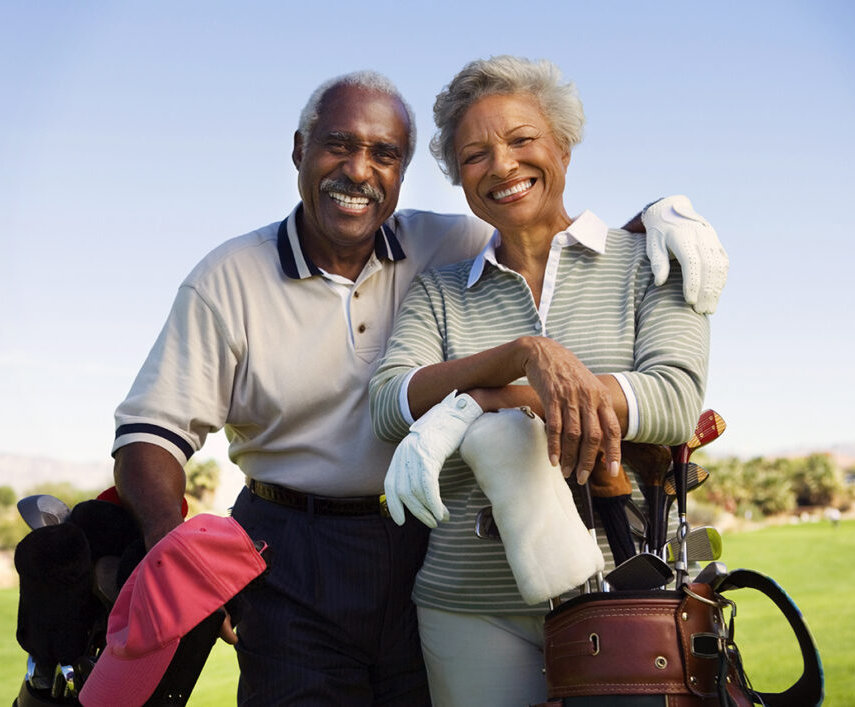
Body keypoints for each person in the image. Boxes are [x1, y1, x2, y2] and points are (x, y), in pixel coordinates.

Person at [110, 68, 726, 706]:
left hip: (414, 535)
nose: (359, 170)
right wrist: (171, 553)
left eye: (384, 154)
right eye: (338, 145)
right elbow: (153, 432)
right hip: (294, 545)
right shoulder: (233, 277)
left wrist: (664, 211)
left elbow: (554, 232)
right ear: (299, 151)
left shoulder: (447, 242)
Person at [369, 55, 712, 706]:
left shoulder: (650, 261)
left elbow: (672, 399)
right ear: (460, 178)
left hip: (625, 595)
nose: (501, 165)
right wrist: (523, 355)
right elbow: (389, 404)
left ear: (563, 147)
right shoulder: (439, 291)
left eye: (522, 139)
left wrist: (476, 403)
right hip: (468, 606)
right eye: (474, 155)